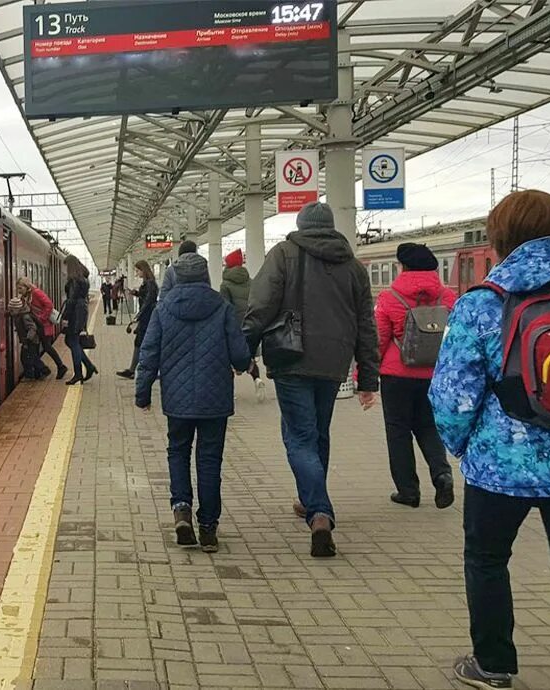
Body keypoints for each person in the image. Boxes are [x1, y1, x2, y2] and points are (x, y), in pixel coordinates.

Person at [429, 190, 550, 689]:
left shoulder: (483, 304)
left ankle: (494, 664)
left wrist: (460, 446)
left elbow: (453, 398)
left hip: (500, 467)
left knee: (487, 559)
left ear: (498, 238)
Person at [242, 201, 379, 558]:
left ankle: (319, 512)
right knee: (319, 431)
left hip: (292, 358)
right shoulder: (352, 266)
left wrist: (243, 352)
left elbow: (261, 305)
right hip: (334, 362)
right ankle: (310, 499)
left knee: (299, 437)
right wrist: (368, 378)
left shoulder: (284, 254)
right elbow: (367, 325)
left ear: (301, 225)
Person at [135, 252, 251, 552]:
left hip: (177, 399)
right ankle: (209, 528)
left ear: (177, 277)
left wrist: (143, 394)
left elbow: (148, 355)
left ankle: (182, 511)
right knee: (210, 460)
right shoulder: (222, 307)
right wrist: (239, 365)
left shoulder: (163, 309)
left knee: (178, 452)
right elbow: (240, 354)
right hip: (215, 400)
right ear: (205, 276)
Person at [374, 242, 456, 510]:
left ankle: (408, 491)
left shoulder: (389, 298)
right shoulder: (448, 298)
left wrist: (365, 373)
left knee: (398, 431)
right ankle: (442, 474)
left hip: (396, 375)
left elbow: (380, 340)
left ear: (403, 267)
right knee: (429, 427)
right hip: (434, 374)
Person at [219, 249, 266, 402]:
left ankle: (229, 392)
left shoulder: (225, 284)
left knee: (228, 359)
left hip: (233, 326)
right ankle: (257, 379)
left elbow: (225, 307)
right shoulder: (250, 281)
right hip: (251, 323)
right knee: (249, 357)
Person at [17, 277, 68, 380]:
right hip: (38, 327)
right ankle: (40, 371)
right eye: (18, 288)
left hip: (44, 326)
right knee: (38, 348)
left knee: (47, 347)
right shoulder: (25, 297)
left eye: (20, 288)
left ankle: (61, 366)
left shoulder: (36, 293)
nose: (19, 291)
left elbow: (49, 305)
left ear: (27, 287)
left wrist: (41, 318)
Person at [117, 260, 158, 380]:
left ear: (143, 270)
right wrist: (134, 292)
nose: (136, 272)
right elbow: (145, 296)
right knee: (142, 343)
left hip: (148, 318)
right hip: (147, 318)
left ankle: (133, 370)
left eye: (138, 270)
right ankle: (133, 370)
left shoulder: (150, 283)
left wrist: (137, 317)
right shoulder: (148, 283)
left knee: (142, 343)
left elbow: (148, 301)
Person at [61, 255, 97, 385]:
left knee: (73, 341)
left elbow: (71, 300)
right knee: (71, 341)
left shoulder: (74, 280)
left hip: (76, 312)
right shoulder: (83, 278)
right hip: (81, 311)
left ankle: (78, 374)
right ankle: (89, 366)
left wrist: (65, 317)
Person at [8, 297, 49, 380]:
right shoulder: (20, 314)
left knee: (29, 358)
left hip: (31, 341)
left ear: (17, 309)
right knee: (29, 357)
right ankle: (36, 374)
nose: (11, 312)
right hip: (28, 341)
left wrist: (28, 338)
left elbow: (32, 328)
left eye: (12, 310)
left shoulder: (25, 316)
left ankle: (43, 370)